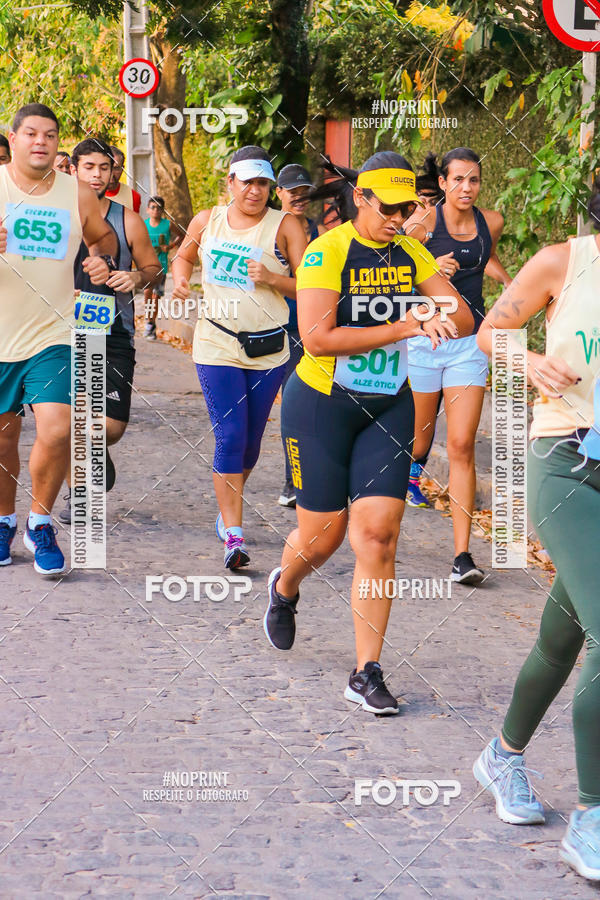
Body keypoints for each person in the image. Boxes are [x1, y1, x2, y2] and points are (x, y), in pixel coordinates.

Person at [263, 151, 473, 714]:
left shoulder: (410, 251)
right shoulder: (326, 251)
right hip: (322, 405)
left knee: (378, 536)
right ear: (361, 198)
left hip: (389, 406)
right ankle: (285, 586)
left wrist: (435, 313)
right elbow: (317, 338)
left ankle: (366, 670)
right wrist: (405, 326)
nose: (400, 218)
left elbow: (463, 317)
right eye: (390, 208)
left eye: (408, 209)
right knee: (323, 537)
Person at [473, 181, 600, 882]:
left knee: (564, 635)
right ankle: (592, 816)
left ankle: (503, 755)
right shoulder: (564, 261)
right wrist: (526, 360)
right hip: (565, 462)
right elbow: (490, 333)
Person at [172, 145, 307, 569]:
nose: (255, 190)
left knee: (249, 444)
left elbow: (310, 285)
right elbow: (183, 255)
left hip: (268, 349)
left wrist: (273, 279)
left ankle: (227, 506)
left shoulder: (285, 225)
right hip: (217, 343)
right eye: (247, 182)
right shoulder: (207, 220)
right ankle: (234, 535)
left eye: (263, 183)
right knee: (229, 436)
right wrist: (179, 281)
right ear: (230, 182)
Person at [0, 104, 117, 575]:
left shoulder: (77, 192)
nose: (41, 142)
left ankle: (39, 522)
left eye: (50, 135)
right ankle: (4, 522)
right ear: (13, 139)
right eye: (31, 133)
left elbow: (104, 237)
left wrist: (102, 260)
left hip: (53, 333)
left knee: (57, 427)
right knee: (3, 442)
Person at [403, 148, 511, 584]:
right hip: (424, 342)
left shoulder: (492, 222)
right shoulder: (421, 225)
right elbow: (390, 274)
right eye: (459, 179)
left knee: (462, 445)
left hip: (469, 344)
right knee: (418, 443)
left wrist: (512, 284)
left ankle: (462, 556)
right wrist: (428, 268)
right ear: (443, 183)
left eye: (474, 180)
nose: (467, 188)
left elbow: (485, 258)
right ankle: (381, 502)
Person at [58, 137, 163, 523]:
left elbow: (154, 270)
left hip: (113, 330)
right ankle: (77, 495)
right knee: (70, 419)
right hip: (61, 332)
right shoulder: (57, 215)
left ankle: (97, 448)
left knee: (110, 427)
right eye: (89, 167)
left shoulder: (127, 219)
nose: (97, 175)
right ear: (73, 169)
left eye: (104, 167)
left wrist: (135, 277)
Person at [275, 164, 324, 507]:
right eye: (293, 191)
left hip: (309, 330)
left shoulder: (320, 232)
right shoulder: (268, 229)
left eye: (304, 191)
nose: (299, 197)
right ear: (278, 192)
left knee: (304, 405)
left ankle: (295, 483)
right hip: (269, 329)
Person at [143, 196, 180, 341]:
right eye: (153, 207)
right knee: (147, 293)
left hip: (161, 266)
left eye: (159, 208)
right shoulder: (143, 225)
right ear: (148, 209)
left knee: (155, 296)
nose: (155, 210)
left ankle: (151, 324)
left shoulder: (168, 225)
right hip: (146, 265)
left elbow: (181, 235)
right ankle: (149, 321)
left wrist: (169, 246)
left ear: (163, 210)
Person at [105, 147, 141, 213]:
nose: (111, 174)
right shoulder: (88, 195)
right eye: (106, 168)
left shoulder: (133, 197)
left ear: (122, 169)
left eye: (116, 168)